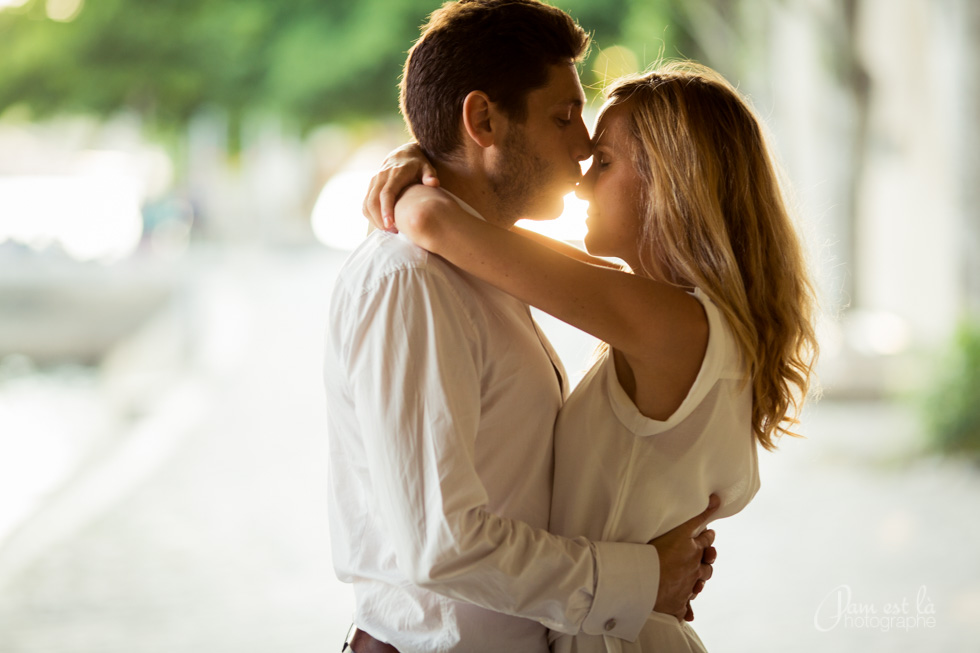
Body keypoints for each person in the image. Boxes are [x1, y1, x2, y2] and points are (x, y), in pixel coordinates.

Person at [365, 61, 819, 651]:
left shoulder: (677, 327)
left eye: (604, 162)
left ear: (672, 182)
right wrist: (424, 159)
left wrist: (413, 170)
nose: (581, 181)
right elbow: (478, 231)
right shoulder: (684, 317)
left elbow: (431, 219)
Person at [323, 3, 718, 653]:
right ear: (482, 120)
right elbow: (442, 543)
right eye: (564, 117)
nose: (586, 144)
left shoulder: (484, 266)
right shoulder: (412, 280)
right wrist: (640, 579)